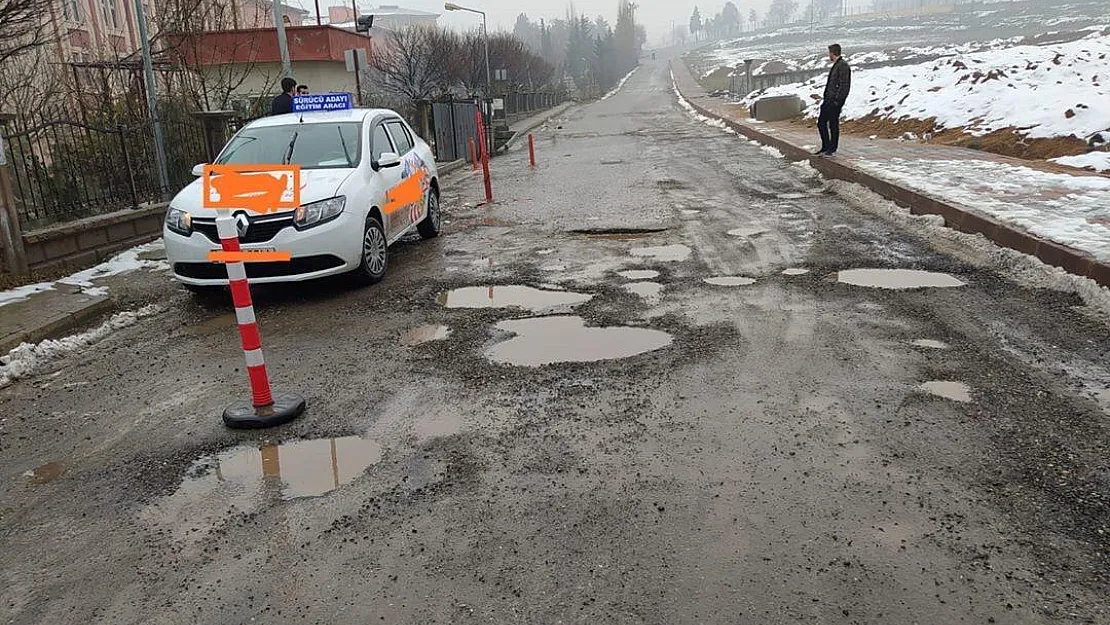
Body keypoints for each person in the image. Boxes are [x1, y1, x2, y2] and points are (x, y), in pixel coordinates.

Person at [816, 43, 851, 157]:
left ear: (833, 53)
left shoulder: (843, 65)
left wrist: (838, 100)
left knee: (833, 124)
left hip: (834, 101)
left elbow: (844, 85)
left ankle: (832, 148)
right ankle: (826, 146)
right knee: (821, 122)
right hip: (828, 100)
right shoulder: (837, 65)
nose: (828, 56)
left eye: (829, 53)